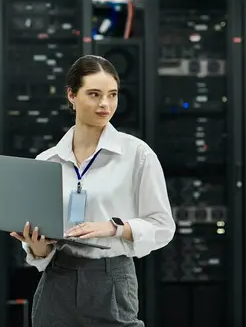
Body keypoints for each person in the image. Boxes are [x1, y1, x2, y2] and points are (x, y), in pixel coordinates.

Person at [10, 55, 175, 327]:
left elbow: (162, 226)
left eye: (112, 95)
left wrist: (114, 228)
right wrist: (37, 248)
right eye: (94, 94)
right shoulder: (47, 161)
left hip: (111, 278)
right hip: (57, 281)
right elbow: (39, 250)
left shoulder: (137, 155)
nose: (105, 104)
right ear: (71, 96)